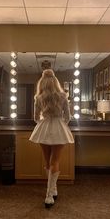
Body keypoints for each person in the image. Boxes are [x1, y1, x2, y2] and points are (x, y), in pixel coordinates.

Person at [29, 69, 74, 208]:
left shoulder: (39, 97)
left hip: (44, 127)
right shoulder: (62, 96)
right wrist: (61, 125)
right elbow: (68, 117)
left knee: (48, 161)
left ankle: (52, 191)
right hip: (59, 127)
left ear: (42, 82)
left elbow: (36, 118)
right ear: (55, 81)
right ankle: (50, 194)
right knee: (55, 161)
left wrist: (44, 124)